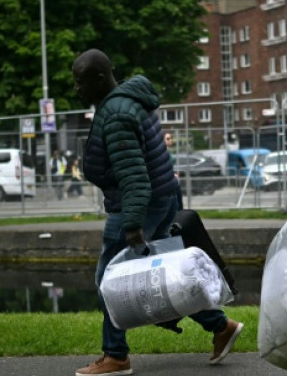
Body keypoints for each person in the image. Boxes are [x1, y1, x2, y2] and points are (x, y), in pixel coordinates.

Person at [71, 49, 242, 376]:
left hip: (137, 206)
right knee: (165, 276)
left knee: (109, 279)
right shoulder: (131, 100)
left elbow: (133, 174)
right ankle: (220, 327)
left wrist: (133, 223)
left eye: (80, 81)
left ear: (99, 78)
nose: (76, 88)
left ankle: (115, 356)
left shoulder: (117, 114)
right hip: (162, 197)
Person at [164, 132, 185, 209]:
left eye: (171, 138)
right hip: (167, 180)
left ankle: (179, 213)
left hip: (172, 178)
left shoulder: (168, 151)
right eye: (167, 139)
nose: (170, 140)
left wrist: (174, 173)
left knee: (177, 199)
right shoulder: (162, 152)